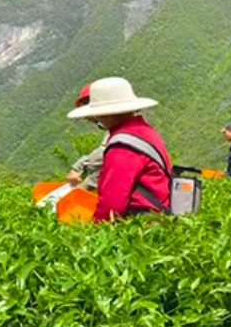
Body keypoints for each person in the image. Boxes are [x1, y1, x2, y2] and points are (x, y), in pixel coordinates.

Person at [67, 77, 171, 222]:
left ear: (105, 113)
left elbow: (112, 203)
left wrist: (97, 229)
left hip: (142, 222)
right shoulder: (142, 130)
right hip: (158, 214)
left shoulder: (122, 146)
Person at [66, 84, 106, 190]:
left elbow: (106, 157)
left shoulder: (124, 132)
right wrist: (78, 167)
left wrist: (83, 188)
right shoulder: (115, 131)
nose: (85, 117)